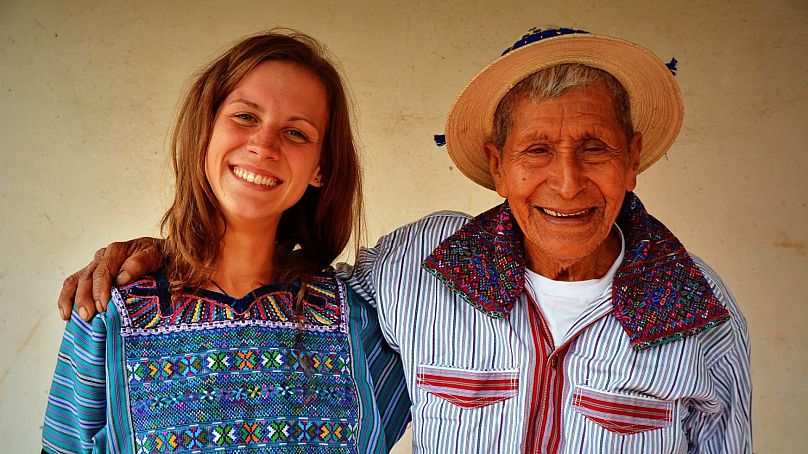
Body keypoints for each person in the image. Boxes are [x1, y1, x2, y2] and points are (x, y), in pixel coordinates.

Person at [59, 28, 752, 452]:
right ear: (498, 161)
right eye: (537, 149)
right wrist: (153, 254)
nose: (566, 182)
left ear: (632, 157)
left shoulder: (703, 316)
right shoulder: (417, 274)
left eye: (594, 148)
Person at [43, 30, 410, 454]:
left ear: (320, 169)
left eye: (296, 133)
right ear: (206, 130)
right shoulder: (108, 312)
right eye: (245, 117)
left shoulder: (359, 324)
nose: (264, 145)